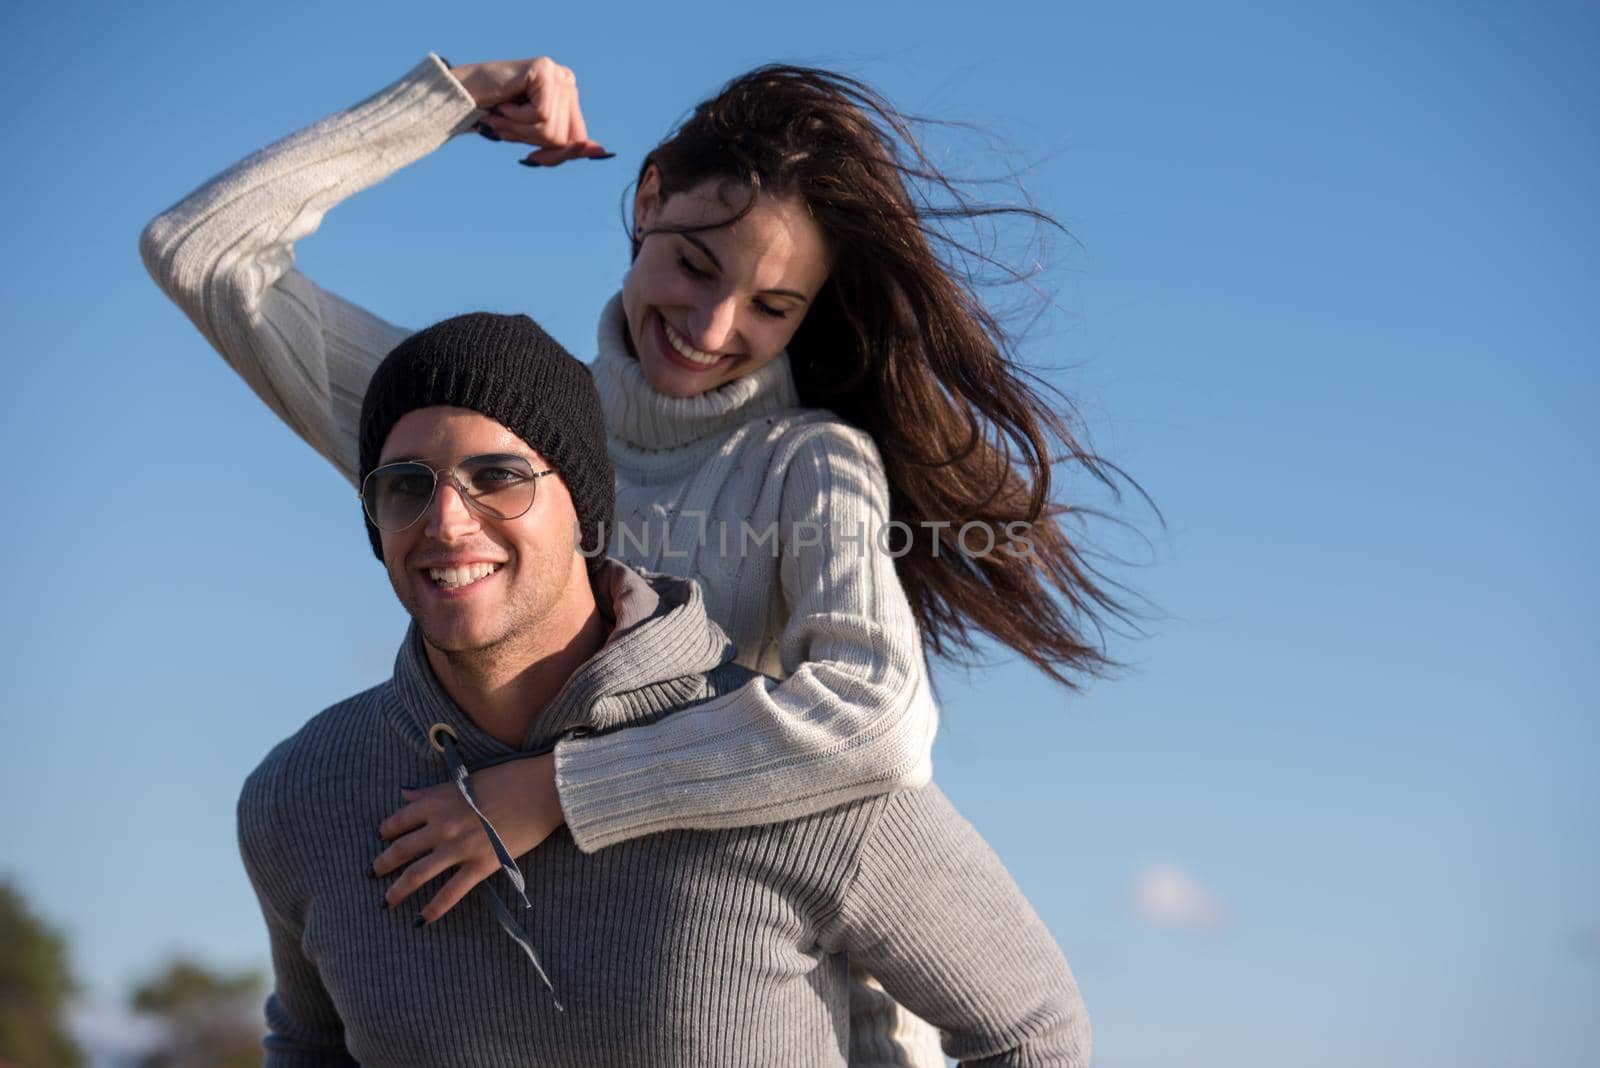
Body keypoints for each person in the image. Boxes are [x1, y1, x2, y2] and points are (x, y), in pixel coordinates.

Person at [142, 52, 1132, 1066]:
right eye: (697, 267)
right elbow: (202, 253)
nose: (711, 328)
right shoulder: (482, 442)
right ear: (647, 196)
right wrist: (443, 105)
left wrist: (556, 792)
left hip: (790, 998)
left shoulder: (806, 464)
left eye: (770, 307)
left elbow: (877, 714)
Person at [236, 309, 1089, 1065]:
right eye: (405, 487)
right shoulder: (299, 798)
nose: (448, 521)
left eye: (498, 476)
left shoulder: (787, 763)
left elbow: (1031, 1030)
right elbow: (310, 1049)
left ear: (584, 510)